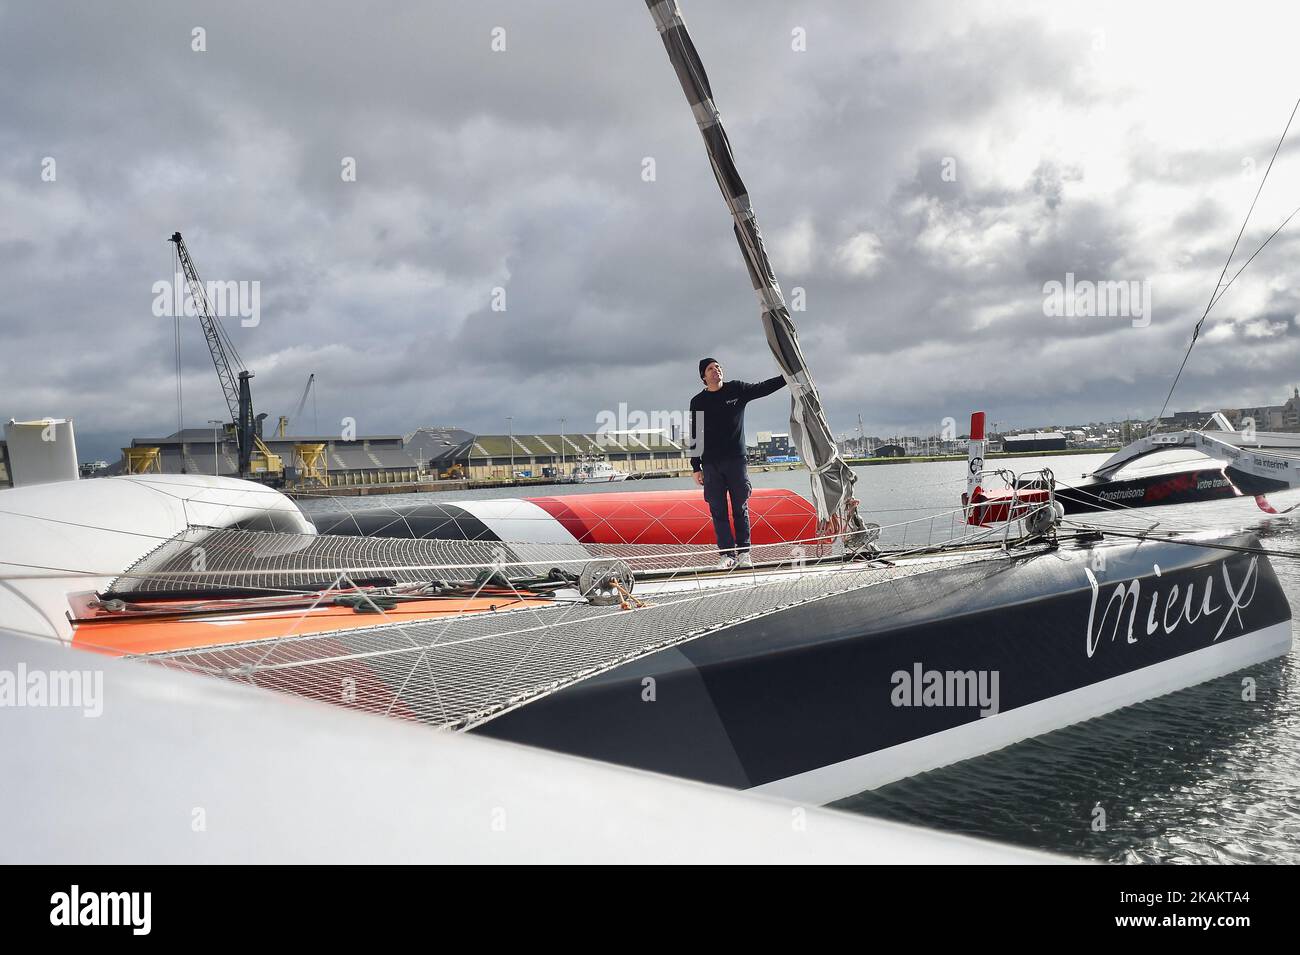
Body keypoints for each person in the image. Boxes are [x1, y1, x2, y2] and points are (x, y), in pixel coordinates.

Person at [689, 357, 787, 570]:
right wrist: (696, 467)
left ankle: (744, 552)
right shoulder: (698, 401)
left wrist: (786, 377)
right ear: (703, 377)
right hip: (711, 464)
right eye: (710, 369)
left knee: (740, 507)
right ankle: (726, 555)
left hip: (736, 461)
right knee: (718, 510)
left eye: (718, 367)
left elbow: (763, 388)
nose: (716, 370)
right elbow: (695, 434)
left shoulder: (736, 389)